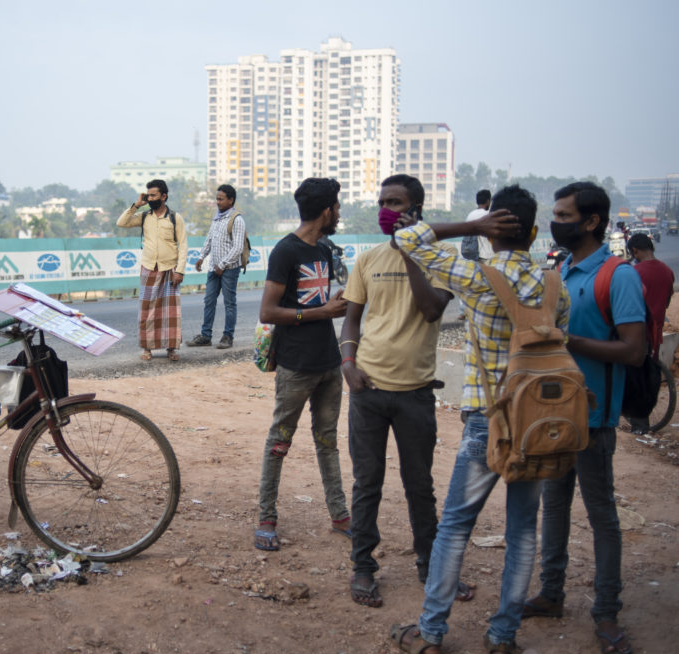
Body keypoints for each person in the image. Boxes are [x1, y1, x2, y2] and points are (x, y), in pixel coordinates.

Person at [388, 185, 570, 654]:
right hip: (537, 424)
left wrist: (470, 226)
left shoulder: (477, 276)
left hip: (487, 422)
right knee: (523, 531)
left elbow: (409, 242)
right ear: (534, 231)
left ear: (493, 230)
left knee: (454, 527)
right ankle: (502, 640)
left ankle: (429, 635)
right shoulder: (555, 286)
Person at [524, 182, 646, 654]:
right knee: (553, 508)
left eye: (563, 214)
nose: (556, 221)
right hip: (554, 415)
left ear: (591, 221)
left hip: (594, 420)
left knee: (602, 517)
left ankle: (606, 612)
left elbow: (633, 351)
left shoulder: (618, 276)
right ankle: (551, 594)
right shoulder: (561, 269)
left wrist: (566, 338)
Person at [340, 174, 472, 608]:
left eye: (395, 202)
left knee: (419, 484)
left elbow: (433, 310)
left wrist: (412, 251)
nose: (386, 209)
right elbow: (352, 320)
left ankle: (429, 565)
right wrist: (347, 364)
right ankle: (363, 566)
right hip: (368, 390)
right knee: (367, 484)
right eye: (382, 201)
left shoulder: (441, 258)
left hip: (415, 393)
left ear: (416, 210)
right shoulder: (368, 259)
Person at [254, 178, 350, 551]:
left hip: (329, 361)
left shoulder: (324, 251)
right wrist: (322, 311)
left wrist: (331, 305)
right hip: (296, 365)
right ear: (326, 211)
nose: (338, 214)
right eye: (337, 207)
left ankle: (340, 516)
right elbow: (268, 311)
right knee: (280, 441)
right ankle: (266, 518)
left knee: (328, 442)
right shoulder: (285, 251)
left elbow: (315, 302)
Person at [116, 179, 188, 361]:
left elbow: (184, 245)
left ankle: (172, 349)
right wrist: (136, 205)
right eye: (148, 195)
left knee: (170, 312)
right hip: (149, 268)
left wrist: (180, 270)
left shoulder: (174, 217)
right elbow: (121, 223)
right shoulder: (144, 216)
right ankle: (147, 349)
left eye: (153, 195)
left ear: (164, 196)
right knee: (147, 310)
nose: (150, 198)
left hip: (170, 269)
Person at [186, 184, 245, 350]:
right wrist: (201, 257)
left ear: (231, 200)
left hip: (229, 269)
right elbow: (209, 239)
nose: (217, 202)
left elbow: (238, 247)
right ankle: (206, 336)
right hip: (213, 268)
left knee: (229, 303)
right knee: (209, 301)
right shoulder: (217, 217)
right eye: (217, 199)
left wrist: (223, 264)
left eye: (221, 199)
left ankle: (228, 337)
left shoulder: (237, 219)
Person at [626, 232, 675, 433]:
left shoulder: (634, 272)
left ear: (635, 251)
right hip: (655, 332)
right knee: (646, 373)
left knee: (635, 376)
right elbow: (667, 302)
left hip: (635, 331)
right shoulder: (667, 271)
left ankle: (639, 426)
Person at [461, 189, 493, 261]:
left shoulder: (470, 215)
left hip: (473, 255)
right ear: (488, 201)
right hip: (486, 255)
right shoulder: (488, 215)